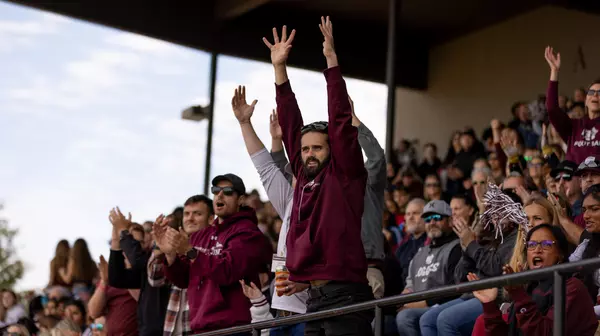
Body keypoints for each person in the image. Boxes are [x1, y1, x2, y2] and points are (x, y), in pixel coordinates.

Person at [263, 16, 374, 335]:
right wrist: (279, 71)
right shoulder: (303, 175)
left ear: (333, 150)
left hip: (346, 297)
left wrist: (331, 61)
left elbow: (339, 119)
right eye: (305, 149)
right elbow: (289, 122)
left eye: (317, 148)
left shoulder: (346, 175)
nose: (309, 153)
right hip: (313, 300)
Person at [156, 173, 271, 335]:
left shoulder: (248, 233)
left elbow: (227, 271)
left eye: (228, 191)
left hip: (234, 328)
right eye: (216, 191)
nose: (220, 195)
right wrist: (170, 255)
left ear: (240, 200)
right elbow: (182, 280)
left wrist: (190, 251)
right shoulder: (201, 235)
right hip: (200, 328)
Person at [232, 88, 307, 336]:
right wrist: (245, 123)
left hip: (311, 315)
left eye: (298, 170)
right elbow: (264, 166)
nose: (293, 175)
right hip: (280, 315)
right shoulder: (289, 201)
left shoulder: (327, 205)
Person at [470, 224, 597, 335]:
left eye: (546, 244)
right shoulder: (531, 288)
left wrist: (519, 295)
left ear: (561, 254)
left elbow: (545, 333)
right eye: (531, 245)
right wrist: (490, 306)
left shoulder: (572, 288)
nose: (537, 250)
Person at [147, 195, 214, 336]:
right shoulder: (175, 244)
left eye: (197, 214)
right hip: (172, 329)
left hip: (202, 328)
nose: (190, 218)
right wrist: (160, 249)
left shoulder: (215, 246)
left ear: (211, 219)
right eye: (187, 214)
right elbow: (155, 279)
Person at [395, 200, 462, 336]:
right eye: (428, 219)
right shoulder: (420, 253)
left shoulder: (457, 248)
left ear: (450, 221)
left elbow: (455, 289)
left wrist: (422, 303)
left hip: (443, 305)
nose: (432, 223)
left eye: (437, 218)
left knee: (405, 318)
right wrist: (404, 297)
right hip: (418, 307)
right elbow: (410, 285)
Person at [107, 209, 171, 336]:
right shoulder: (145, 266)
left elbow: (138, 262)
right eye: (131, 243)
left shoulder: (162, 260)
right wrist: (116, 241)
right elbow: (117, 278)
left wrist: (123, 232)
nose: (132, 247)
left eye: (139, 243)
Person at [545, 46, 600, 164]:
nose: (595, 95)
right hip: (574, 181)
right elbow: (552, 109)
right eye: (591, 92)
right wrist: (554, 71)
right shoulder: (573, 126)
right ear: (585, 101)